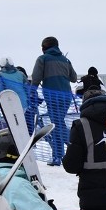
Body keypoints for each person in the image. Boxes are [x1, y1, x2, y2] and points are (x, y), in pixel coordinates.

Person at [31, 36, 77, 166]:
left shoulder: (42, 59)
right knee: (59, 123)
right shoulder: (66, 60)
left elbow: (36, 78)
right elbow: (73, 78)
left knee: (56, 125)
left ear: (44, 47)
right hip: (66, 96)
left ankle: (61, 153)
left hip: (52, 97)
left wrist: (32, 92)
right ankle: (67, 149)